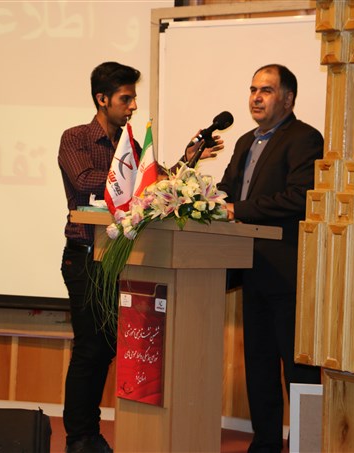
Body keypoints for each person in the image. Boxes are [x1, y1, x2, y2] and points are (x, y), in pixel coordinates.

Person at [57, 61, 221, 453]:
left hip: (123, 259)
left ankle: (90, 432)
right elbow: (85, 181)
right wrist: (140, 178)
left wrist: (187, 160)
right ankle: (79, 438)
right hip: (86, 255)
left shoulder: (131, 146)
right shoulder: (76, 138)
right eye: (125, 98)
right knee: (90, 348)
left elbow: (156, 184)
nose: (132, 106)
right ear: (102, 99)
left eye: (133, 98)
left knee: (107, 349)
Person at [217, 64, 323, 453]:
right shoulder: (245, 141)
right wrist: (198, 200)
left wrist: (238, 209)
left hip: (289, 272)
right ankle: (264, 444)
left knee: (299, 369)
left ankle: (306, 446)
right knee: (259, 365)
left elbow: (300, 197)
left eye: (266, 90)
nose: (256, 97)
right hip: (250, 268)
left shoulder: (305, 138)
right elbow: (227, 191)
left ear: (288, 99)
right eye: (252, 90)